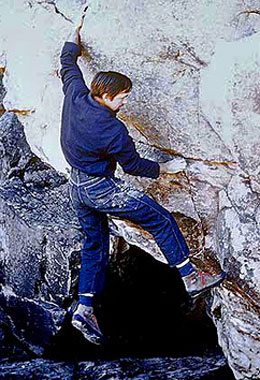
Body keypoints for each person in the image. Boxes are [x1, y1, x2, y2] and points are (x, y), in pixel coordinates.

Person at [59, 10, 226, 345]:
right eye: (122, 96)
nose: (125, 101)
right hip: (100, 188)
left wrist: (74, 32)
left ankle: (85, 308)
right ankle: (191, 277)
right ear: (107, 95)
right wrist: (165, 169)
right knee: (160, 219)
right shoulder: (112, 130)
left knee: (95, 245)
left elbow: (67, 62)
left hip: (76, 186)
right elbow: (134, 166)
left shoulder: (76, 94)